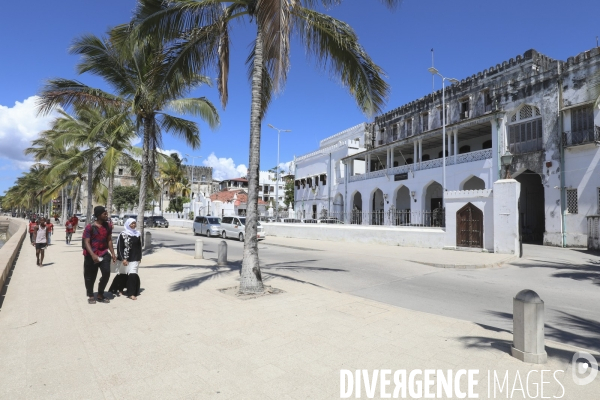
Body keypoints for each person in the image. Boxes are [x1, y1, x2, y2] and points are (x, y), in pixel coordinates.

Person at [82, 206, 116, 304]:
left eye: (106, 213)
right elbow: (86, 242)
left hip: (103, 252)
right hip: (90, 254)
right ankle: (91, 295)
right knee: (90, 276)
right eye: (104, 213)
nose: (106, 215)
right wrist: (92, 255)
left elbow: (109, 240)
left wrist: (113, 253)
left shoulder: (108, 226)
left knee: (106, 273)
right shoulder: (90, 227)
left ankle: (100, 294)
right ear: (98, 215)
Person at [109, 218, 142, 300]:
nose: (133, 225)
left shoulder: (137, 234)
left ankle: (131, 293)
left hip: (135, 257)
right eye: (132, 224)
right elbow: (120, 247)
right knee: (122, 274)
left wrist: (139, 257)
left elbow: (139, 247)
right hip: (125, 258)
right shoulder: (123, 234)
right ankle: (119, 289)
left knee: (133, 274)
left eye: (134, 223)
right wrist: (123, 258)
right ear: (128, 224)